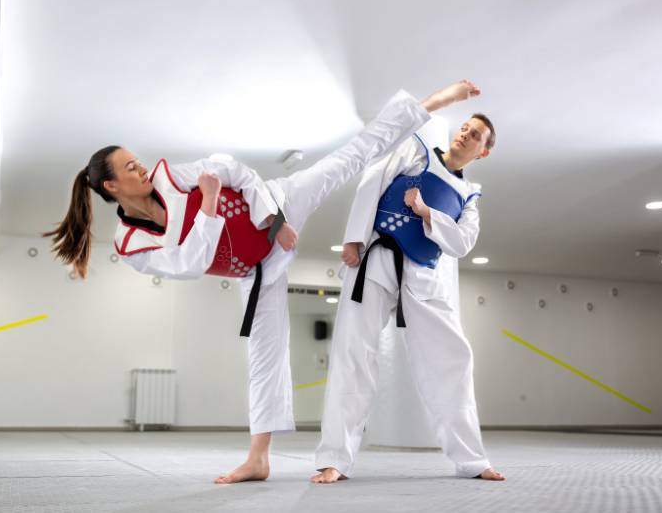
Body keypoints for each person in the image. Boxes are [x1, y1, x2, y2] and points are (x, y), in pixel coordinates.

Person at [45, 80, 482, 484]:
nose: (142, 169)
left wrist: (273, 221)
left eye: (138, 162)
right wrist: (209, 203)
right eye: (131, 168)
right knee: (263, 357)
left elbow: (233, 169)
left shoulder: (170, 176)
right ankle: (259, 459)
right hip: (254, 270)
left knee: (352, 155)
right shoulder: (131, 243)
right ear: (111, 185)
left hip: (278, 203)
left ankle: (430, 103)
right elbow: (190, 263)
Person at [311, 106, 505, 483]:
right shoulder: (417, 151)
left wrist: (425, 211)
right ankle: (335, 459)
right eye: (465, 127)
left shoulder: (469, 196)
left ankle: (472, 460)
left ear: (484, 151)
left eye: (475, 134)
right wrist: (353, 239)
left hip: (422, 274)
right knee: (353, 354)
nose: (465, 134)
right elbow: (373, 181)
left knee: (454, 357)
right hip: (376, 258)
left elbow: (462, 243)